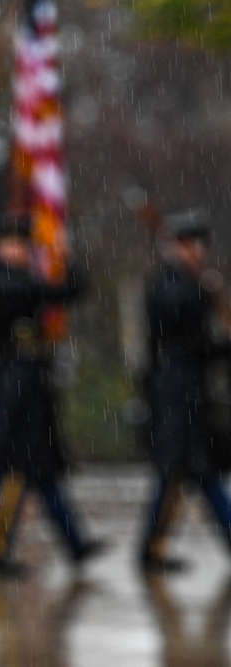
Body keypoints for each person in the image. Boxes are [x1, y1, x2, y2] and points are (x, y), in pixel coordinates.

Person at [0, 213, 104, 577]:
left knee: (42, 469)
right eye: (17, 243)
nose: (24, 250)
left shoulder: (23, 280)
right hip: (11, 382)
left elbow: (71, 290)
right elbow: (39, 293)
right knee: (13, 468)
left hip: (32, 383)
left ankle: (75, 543)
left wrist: (66, 258)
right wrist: (49, 275)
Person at [139, 210, 231, 573]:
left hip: (192, 387)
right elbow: (174, 319)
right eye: (188, 245)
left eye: (199, 245)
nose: (196, 251)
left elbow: (205, 347)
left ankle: (150, 549)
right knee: (189, 470)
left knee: (185, 471)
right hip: (173, 388)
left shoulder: (195, 284)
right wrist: (204, 289)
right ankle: (150, 550)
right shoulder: (169, 283)